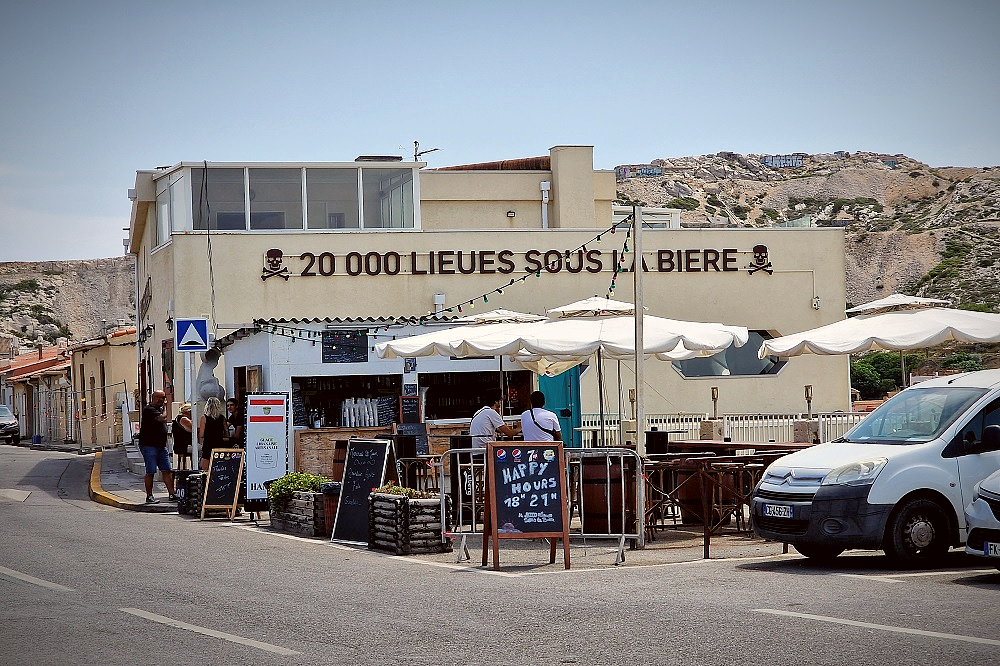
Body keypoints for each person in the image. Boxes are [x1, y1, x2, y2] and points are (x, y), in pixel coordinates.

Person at [138, 389, 176, 504]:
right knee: (151, 471)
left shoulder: (158, 409)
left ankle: (172, 494)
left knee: (167, 470)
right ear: (153, 398)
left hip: (160, 445)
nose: (161, 400)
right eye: (159, 397)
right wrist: (166, 407)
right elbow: (162, 419)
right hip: (149, 445)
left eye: (163, 397)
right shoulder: (149, 409)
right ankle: (149, 496)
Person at [198, 396, 227, 471]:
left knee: (205, 468)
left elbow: (201, 434)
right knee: (219, 466)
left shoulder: (204, 418)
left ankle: (206, 481)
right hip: (219, 443)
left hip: (208, 444)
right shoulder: (222, 418)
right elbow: (226, 431)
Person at [172, 403, 193, 469]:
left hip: (179, 446)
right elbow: (194, 428)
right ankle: (198, 468)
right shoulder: (184, 419)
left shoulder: (177, 418)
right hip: (184, 446)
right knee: (201, 450)